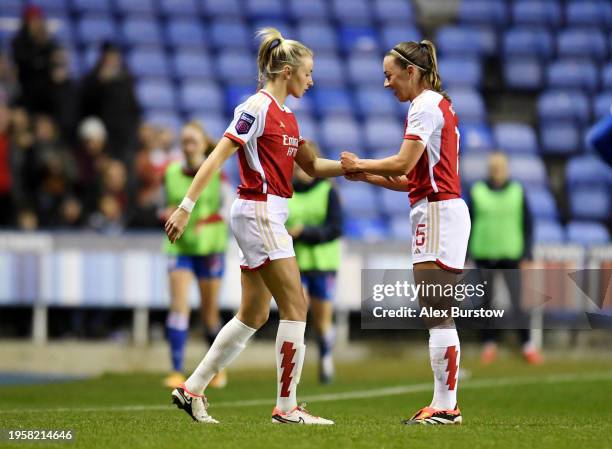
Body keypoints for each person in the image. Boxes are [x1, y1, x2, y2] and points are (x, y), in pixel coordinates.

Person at [165, 27, 344, 425]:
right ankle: (287, 408)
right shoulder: (256, 108)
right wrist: (185, 206)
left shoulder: (289, 118)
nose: (311, 80)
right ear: (286, 71)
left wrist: (363, 169)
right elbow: (216, 156)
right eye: (307, 72)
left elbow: (312, 167)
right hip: (259, 210)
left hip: (267, 213)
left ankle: (191, 389)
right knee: (296, 305)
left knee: (253, 314)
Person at [341, 40, 470, 425]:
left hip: (437, 212)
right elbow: (410, 177)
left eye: (389, 75)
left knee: (436, 312)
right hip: (437, 208)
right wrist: (367, 177)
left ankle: (446, 407)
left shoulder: (424, 106)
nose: (386, 84)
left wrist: (360, 162)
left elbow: (403, 161)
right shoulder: (438, 106)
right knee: (437, 312)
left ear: (411, 72)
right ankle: (444, 403)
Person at [162, 121, 229, 390]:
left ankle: (217, 369)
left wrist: (205, 221)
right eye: (185, 141)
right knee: (179, 308)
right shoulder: (170, 172)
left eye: (193, 141)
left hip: (210, 247)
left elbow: (226, 209)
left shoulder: (217, 173)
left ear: (203, 144)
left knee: (209, 314)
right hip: (179, 246)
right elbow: (165, 203)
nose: (188, 146)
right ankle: (176, 369)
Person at [468, 151, 542, 365]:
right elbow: (468, 221)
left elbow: (528, 224)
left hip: (511, 254)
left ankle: (527, 345)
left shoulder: (518, 191)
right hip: (483, 253)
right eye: (494, 167)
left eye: (500, 167)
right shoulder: (477, 190)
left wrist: (527, 252)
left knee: (517, 303)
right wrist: (466, 252)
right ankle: (489, 345)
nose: (497, 171)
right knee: (485, 303)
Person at [286, 142, 343, 384]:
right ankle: (292, 367)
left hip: (322, 263)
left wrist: (305, 232)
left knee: (322, 320)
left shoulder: (328, 191)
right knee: (297, 316)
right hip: (295, 264)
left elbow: (335, 228)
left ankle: (326, 358)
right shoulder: (286, 190)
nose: (300, 170)